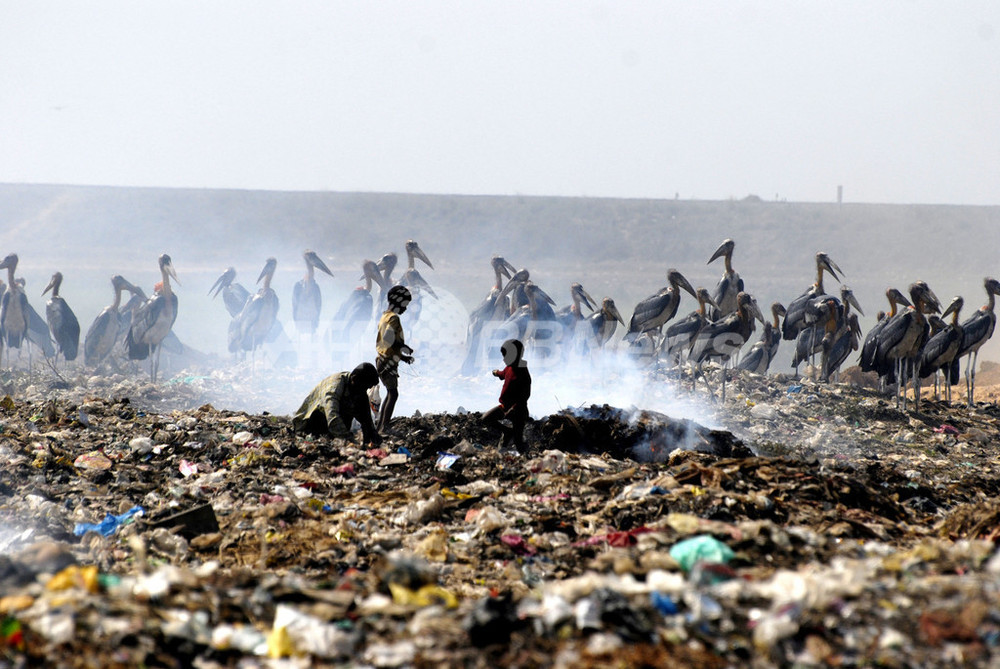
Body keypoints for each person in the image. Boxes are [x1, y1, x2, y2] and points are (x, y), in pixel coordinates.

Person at [293, 362, 381, 446]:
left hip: (331, 426)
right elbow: (332, 416)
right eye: (364, 387)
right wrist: (350, 440)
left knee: (357, 403)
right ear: (353, 380)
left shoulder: (357, 387)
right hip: (311, 422)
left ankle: (338, 437)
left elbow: (366, 418)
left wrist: (372, 434)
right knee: (326, 417)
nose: (364, 391)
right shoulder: (335, 386)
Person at [375, 285, 414, 433]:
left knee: (390, 392)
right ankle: (384, 427)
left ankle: (380, 426)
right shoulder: (394, 318)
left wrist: (403, 358)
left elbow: (386, 345)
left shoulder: (384, 316)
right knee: (393, 394)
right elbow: (388, 339)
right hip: (387, 362)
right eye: (405, 304)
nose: (405, 308)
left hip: (382, 359)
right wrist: (404, 346)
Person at [483, 338, 531, 451]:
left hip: (519, 411)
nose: (504, 359)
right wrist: (496, 372)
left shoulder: (522, 372)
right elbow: (503, 373)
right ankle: (507, 432)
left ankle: (526, 458)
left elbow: (525, 395)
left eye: (506, 356)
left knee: (518, 440)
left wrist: (514, 408)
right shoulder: (510, 367)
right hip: (505, 406)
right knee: (486, 418)